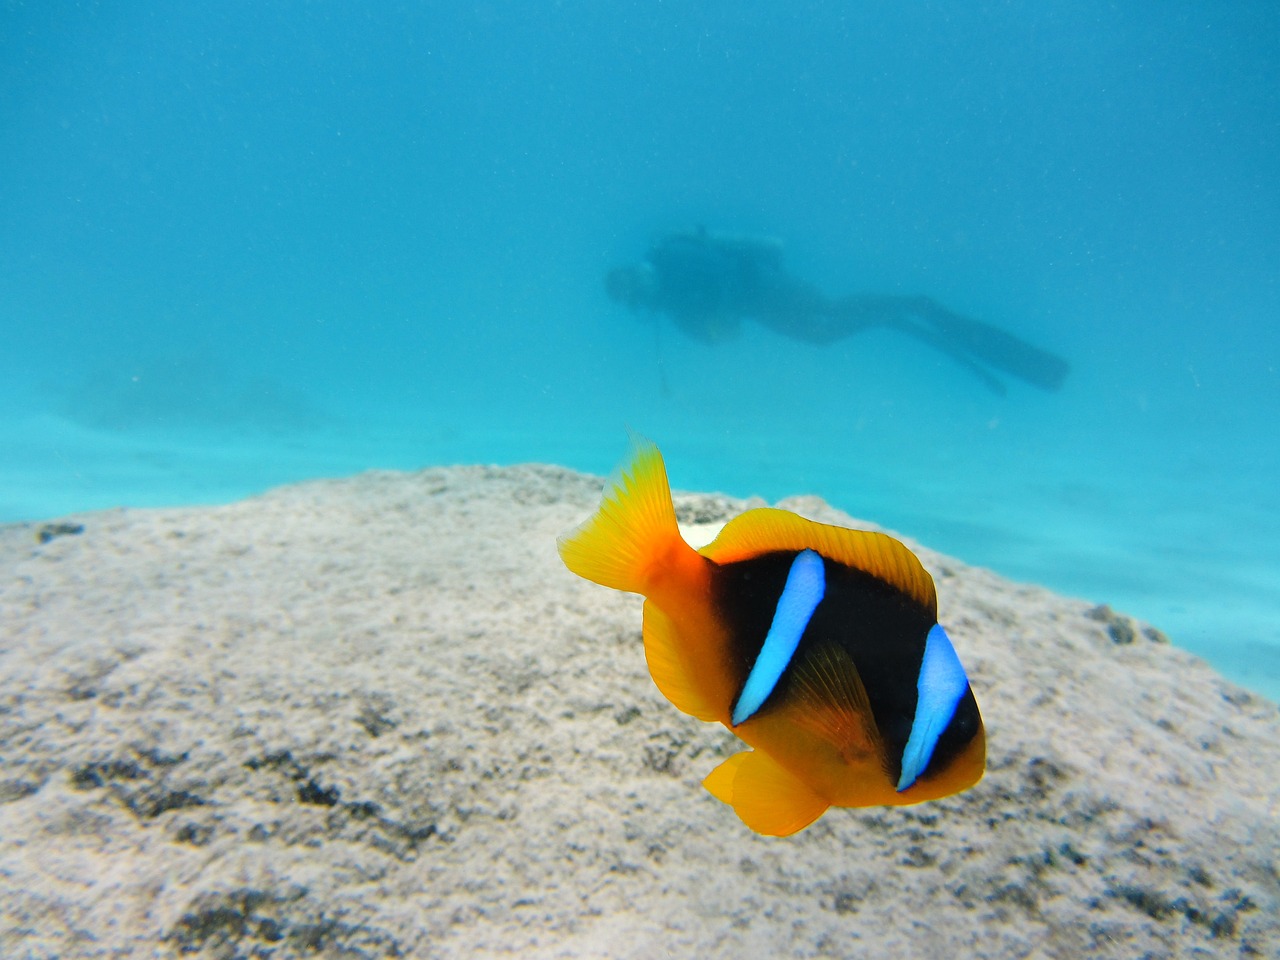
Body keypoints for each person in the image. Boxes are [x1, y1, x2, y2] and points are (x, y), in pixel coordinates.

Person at [605, 227, 1070, 394]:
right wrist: (711, 329)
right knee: (821, 335)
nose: (637, 295)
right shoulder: (664, 300)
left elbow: (725, 272)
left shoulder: (675, 258)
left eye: (632, 285)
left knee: (828, 311)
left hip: (768, 287)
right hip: (759, 306)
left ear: (637, 270)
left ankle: (913, 305)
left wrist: (720, 314)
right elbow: (707, 330)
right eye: (629, 296)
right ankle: (894, 315)